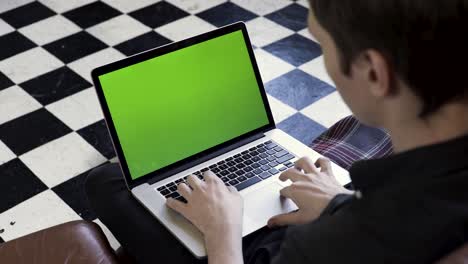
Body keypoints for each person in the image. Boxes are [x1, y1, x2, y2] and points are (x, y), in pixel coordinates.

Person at [86, 0, 468, 263]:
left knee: (108, 181)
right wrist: (340, 203)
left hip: (254, 250)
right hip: (325, 214)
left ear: (373, 72)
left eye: (323, 44)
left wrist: (223, 231)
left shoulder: (331, 247)